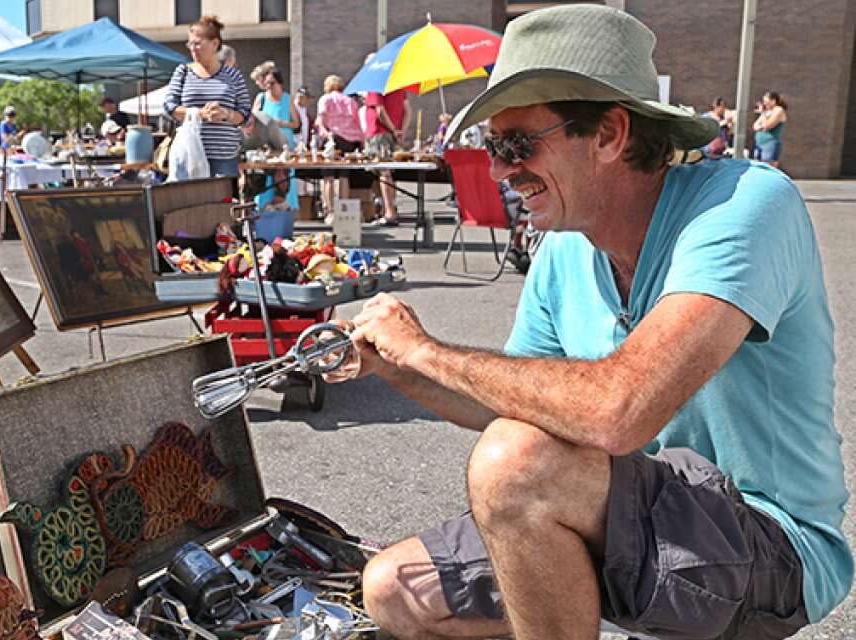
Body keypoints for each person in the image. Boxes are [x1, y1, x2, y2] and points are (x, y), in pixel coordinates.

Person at [331, 5, 851, 640]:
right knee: (394, 590)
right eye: (493, 147)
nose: (498, 169)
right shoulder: (564, 250)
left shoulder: (745, 205)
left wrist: (426, 351)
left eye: (517, 144)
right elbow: (513, 407)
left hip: (768, 542)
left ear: (609, 134)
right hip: (625, 511)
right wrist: (394, 365)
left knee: (515, 467)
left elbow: (616, 412)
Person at [163, 15, 251, 177]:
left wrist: (226, 114)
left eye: (198, 43)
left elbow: (245, 114)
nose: (192, 48)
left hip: (224, 159)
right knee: (191, 202)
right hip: (189, 157)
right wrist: (200, 113)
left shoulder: (233, 76)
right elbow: (169, 107)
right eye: (190, 43)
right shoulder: (183, 72)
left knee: (224, 202)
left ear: (215, 43)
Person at [316, 74, 365, 224]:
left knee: (329, 177)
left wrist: (324, 134)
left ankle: (330, 212)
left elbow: (321, 121)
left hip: (333, 138)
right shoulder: (350, 101)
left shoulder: (326, 99)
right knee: (344, 176)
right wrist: (362, 142)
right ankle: (343, 211)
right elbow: (358, 122)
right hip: (350, 141)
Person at [364, 81, 411, 226]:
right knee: (387, 172)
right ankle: (387, 209)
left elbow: (379, 111)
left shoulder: (376, 86)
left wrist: (393, 130)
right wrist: (401, 130)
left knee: (383, 172)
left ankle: (389, 212)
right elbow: (408, 110)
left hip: (379, 133)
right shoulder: (398, 86)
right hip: (390, 134)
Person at [255, 66, 300, 211]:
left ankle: (286, 209)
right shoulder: (261, 98)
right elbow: (253, 119)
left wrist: (280, 123)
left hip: (285, 145)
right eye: (266, 83)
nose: (269, 87)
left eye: (272, 83)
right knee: (266, 177)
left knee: (285, 177)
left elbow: (296, 123)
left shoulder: (288, 99)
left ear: (279, 83)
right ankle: (263, 208)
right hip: (267, 145)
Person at [753, 91, 788, 169]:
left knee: (767, 169)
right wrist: (763, 120)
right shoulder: (767, 112)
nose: (764, 104)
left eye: (766, 102)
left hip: (769, 143)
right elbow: (755, 126)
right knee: (758, 168)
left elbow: (767, 125)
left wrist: (763, 114)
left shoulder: (778, 110)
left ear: (773, 101)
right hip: (759, 143)